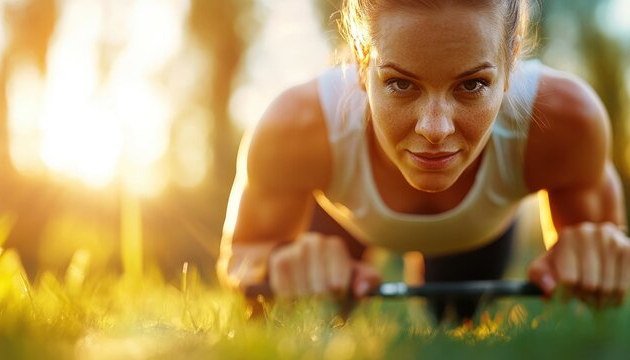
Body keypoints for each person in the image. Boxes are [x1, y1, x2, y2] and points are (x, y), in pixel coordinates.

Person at [216, 0, 630, 319]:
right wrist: (277, 267)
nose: (435, 129)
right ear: (362, 63)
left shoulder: (567, 121)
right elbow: (241, 258)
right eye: (399, 83)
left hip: (478, 237)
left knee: (456, 319)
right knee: (325, 316)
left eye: (472, 84)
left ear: (511, 61)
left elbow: (601, 274)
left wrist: (594, 259)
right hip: (337, 224)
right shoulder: (296, 128)